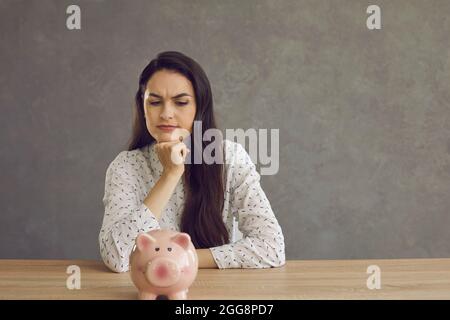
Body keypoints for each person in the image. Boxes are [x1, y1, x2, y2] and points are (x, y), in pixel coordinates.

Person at [98, 51, 285, 272]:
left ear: (199, 108)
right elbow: (116, 256)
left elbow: (272, 247)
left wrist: (178, 258)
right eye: (155, 102)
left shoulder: (230, 158)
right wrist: (170, 174)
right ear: (143, 107)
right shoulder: (126, 167)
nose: (167, 113)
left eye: (181, 102)